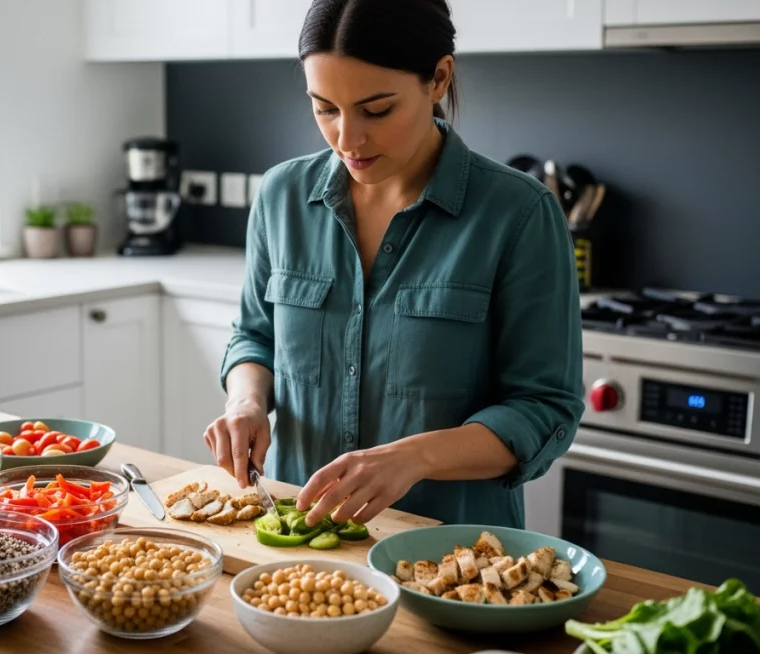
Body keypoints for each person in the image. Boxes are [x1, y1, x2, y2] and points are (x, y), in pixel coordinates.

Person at [204, 0, 585, 530]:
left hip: (450, 555)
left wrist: (416, 457)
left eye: (376, 110)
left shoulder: (519, 214)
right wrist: (246, 402)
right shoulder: (281, 196)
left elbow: (544, 408)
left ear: (438, 78)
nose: (347, 139)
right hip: (299, 548)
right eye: (324, 108)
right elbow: (254, 337)